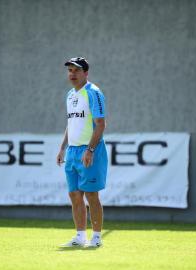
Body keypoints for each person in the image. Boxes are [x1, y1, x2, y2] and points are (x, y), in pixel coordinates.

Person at [56, 57, 108, 248]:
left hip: (90, 150)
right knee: (74, 195)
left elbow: (101, 124)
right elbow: (71, 124)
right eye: (70, 70)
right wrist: (62, 148)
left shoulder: (93, 93)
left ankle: (96, 237)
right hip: (72, 151)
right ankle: (79, 236)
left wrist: (90, 150)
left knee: (91, 195)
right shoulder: (70, 94)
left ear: (86, 73)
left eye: (76, 70)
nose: (72, 74)